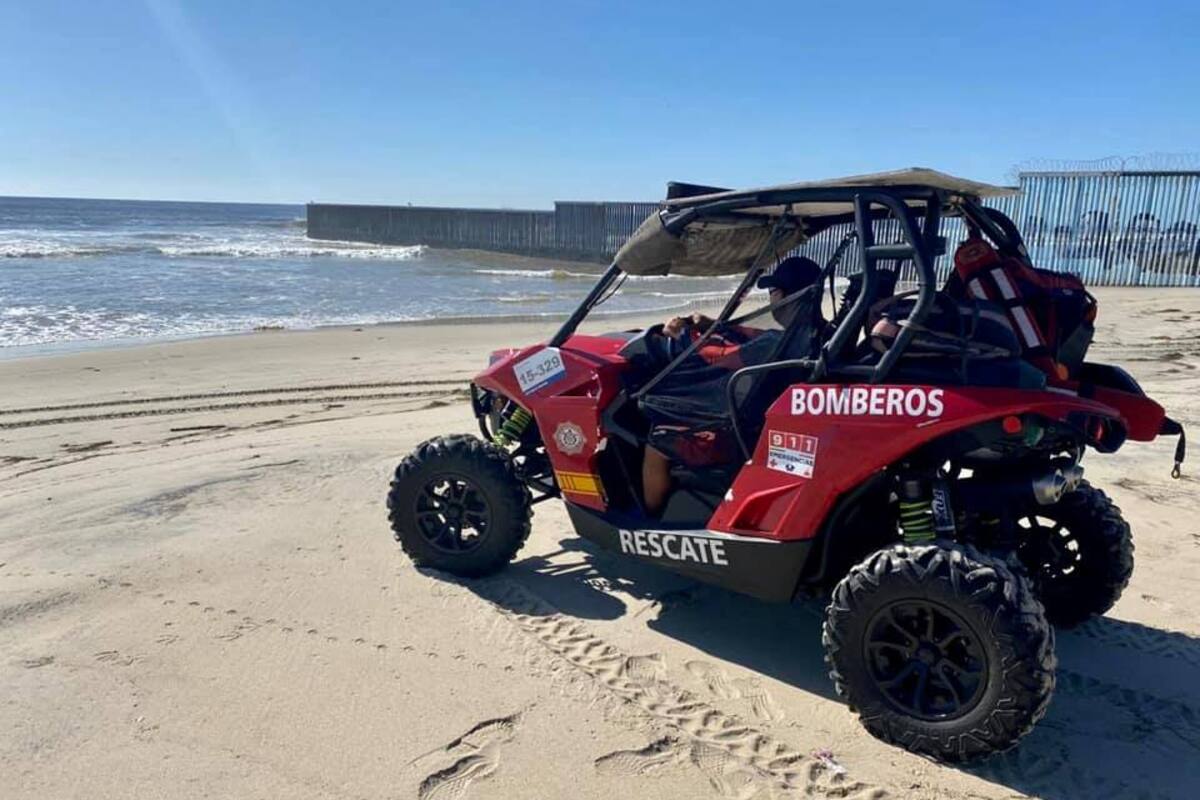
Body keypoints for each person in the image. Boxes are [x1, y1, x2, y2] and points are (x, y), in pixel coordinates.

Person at [642, 256, 824, 515]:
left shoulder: (775, 344)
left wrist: (685, 337)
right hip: (767, 426)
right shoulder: (814, 333)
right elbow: (756, 336)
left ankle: (650, 519)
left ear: (783, 295)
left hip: (740, 435)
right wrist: (715, 326)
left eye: (773, 292)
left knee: (657, 439)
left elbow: (719, 356)